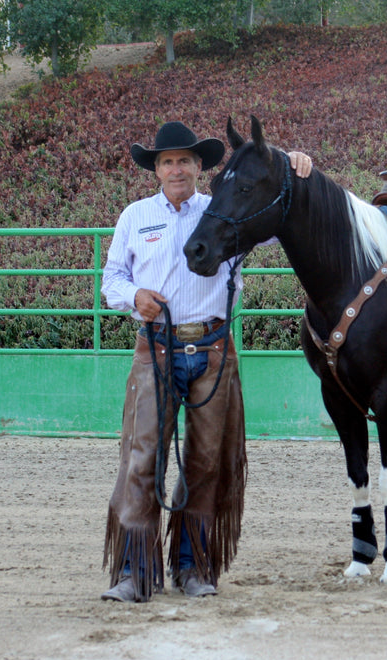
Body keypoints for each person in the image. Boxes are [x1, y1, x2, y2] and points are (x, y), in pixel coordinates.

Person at [100, 121, 312, 603]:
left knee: (206, 462)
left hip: (214, 350)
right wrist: (134, 295)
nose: (177, 169)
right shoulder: (134, 217)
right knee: (142, 458)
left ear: (200, 167)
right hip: (155, 347)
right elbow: (111, 279)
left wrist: (295, 166)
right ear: (155, 169)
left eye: (185, 161)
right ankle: (134, 570)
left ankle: (193, 567)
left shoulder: (225, 209)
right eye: (167, 161)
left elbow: (283, 218)